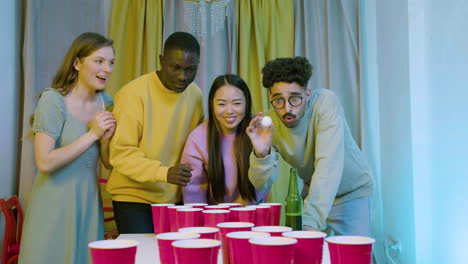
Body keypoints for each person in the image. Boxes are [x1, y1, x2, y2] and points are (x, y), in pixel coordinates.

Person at [247, 57, 374, 236]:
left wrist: (310, 220)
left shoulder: (325, 102)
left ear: (307, 93)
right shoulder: (270, 125)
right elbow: (261, 183)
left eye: (295, 99)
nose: (287, 109)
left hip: (350, 193)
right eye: (278, 100)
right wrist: (261, 154)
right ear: (270, 97)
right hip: (313, 192)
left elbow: (328, 164)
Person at [19, 32, 116, 264]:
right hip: (53, 205)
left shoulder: (108, 103)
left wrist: (104, 141)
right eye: (99, 61)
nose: (108, 69)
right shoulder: (53, 100)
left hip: (89, 204)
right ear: (77, 63)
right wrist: (93, 134)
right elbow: (45, 162)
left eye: (111, 62)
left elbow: (108, 163)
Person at [107, 32, 204, 233]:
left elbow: (199, 145)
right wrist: (164, 172)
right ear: (161, 61)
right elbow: (121, 154)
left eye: (190, 69)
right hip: (133, 197)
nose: (182, 76)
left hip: (174, 199)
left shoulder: (195, 95)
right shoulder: (132, 95)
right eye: (175, 67)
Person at [181, 74, 268, 205]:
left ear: (247, 102)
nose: (229, 111)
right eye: (222, 104)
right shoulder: (198, 137)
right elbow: (193, 192)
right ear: (212, 104)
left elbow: (264, 182)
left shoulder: (258, 130)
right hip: (212, 218)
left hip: (251, 213)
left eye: (237, 103)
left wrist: (262, 155)